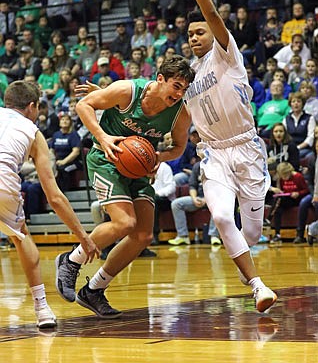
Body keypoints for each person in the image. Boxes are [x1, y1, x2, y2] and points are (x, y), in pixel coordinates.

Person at [55, 55, 195, 317]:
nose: (179, 93)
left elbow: (178, 147)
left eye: (184, 89)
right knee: (124, 224)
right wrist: (103, 136)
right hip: (106, 159)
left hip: (137, 169)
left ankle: (94, 289)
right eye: (176, 85)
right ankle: (71, 261)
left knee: (142, 236)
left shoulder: (180, 113)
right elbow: (84, 105)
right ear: (160, 79)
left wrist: (158, 158)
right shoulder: (128, 90)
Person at [172, 0, 277, 313]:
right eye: (189, 35)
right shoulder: (186, 77)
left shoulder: (225, 53)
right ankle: (257, 285)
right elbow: (181, 122)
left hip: (247, 149)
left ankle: (244, 259)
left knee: (252, 234)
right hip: (214, 154)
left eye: (199, 31)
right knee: (220, 217)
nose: (194, 37)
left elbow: (212, 13)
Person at [0, 80, 98, 328]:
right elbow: (54, 197)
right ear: (32, 107)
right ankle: (42, 309)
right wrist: (83, 237)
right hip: (3, 181)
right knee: (22, 237)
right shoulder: (34, 133)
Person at [168, 161, 221, 246]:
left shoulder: (218, 166)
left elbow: (220, 188)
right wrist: (194, 198)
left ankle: (214, 236)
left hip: (214, 199)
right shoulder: (197, 166)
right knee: (176, 204)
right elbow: (192, 185)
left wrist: (207, 199)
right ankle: (183, 236)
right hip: (198, 198)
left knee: (219, 204)